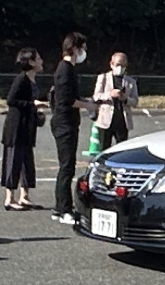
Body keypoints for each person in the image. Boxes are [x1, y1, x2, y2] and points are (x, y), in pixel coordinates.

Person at [50, 32, 97, 225]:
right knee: (66, 167)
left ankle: (59, 208)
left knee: (66, 166)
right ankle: (64, 210)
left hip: (66, 122)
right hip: (64, 123)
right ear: (75, 49)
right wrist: (88, 105)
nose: (84, 52)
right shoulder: (65, 69)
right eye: (83, 48)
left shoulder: (67, 69)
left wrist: (86, 101)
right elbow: (67, 100)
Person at [2, 48, 49, 211]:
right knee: (13, 161)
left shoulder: (32, 80)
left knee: (27, 162)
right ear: (31, 62)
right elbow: (11, 100)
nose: (42, 61)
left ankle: (25, 196)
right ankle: (10, 198)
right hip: (16, 128)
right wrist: (32, 104)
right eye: (39, 58)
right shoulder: (21, 79)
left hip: (27, 127)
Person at [93, 52, 139, 150]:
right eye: (118, 65)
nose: (120, 68)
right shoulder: (103, 78)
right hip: (106, 120)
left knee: (121, 149)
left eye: (123, 65)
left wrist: (125, 99)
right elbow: (96, 96)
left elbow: (135, 101)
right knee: (104, 148)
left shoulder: (131, 81)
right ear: (111, 64)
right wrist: (110, 94)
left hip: (122, 120)